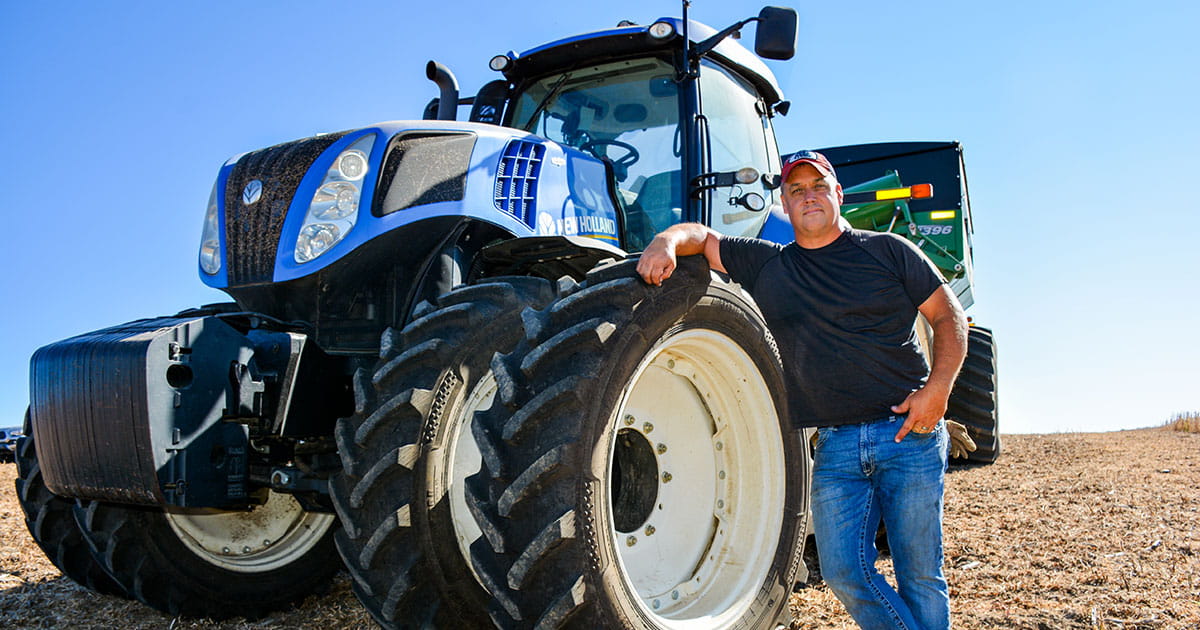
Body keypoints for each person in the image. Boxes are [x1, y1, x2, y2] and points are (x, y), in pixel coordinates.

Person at [635, 150, 968, 630]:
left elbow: (947, 316)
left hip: (908, 434)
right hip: (834, 445)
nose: (808, 196)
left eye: (818, 187)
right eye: (796, 191)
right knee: (842, 571)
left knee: (920, 574)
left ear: (839, 195)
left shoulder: (888, 250)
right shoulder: (769, 265)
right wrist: (665, 240)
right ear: (784, 207)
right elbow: (703, 237)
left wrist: (937, 391)